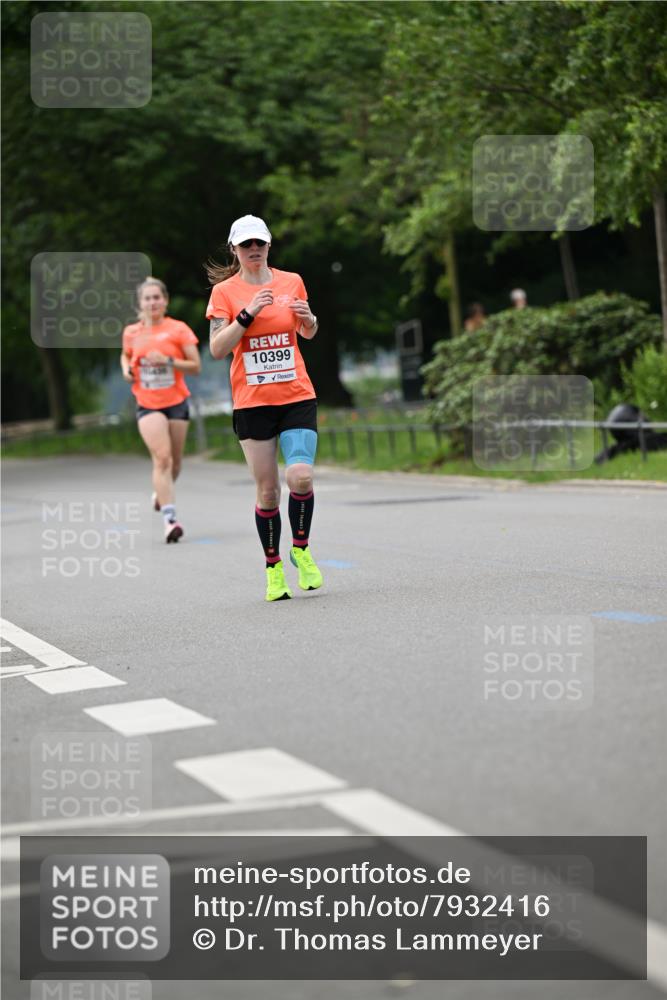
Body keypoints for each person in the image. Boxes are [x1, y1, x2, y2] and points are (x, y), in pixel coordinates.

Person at [206, 214, 323, 602]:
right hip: (253, 402)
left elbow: (306, 332)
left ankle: (301, 550)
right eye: (246, 245)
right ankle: (274, 568)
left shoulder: (293, 282)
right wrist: (248, 312)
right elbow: (218, 348)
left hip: (296, 394)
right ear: (235, 250)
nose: (254, 250)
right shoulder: (225, 292)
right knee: (269, 492)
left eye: (260, 243)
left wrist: (310, 322)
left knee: (301, 477)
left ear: (269, 246)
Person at [120, 277, 201, 543]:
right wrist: (126, 369)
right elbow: (125, 354)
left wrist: (167, 360)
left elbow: (195, 366)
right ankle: (170, 520)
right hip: (147, 403)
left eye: (157, 297)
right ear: (140, 304)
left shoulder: (178, 329)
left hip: (177, 402)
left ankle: (160, 493)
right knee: (162, 459)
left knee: (175, 464)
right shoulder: (131, 332)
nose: (152, 302)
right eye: (147, 298)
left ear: (165, 300)